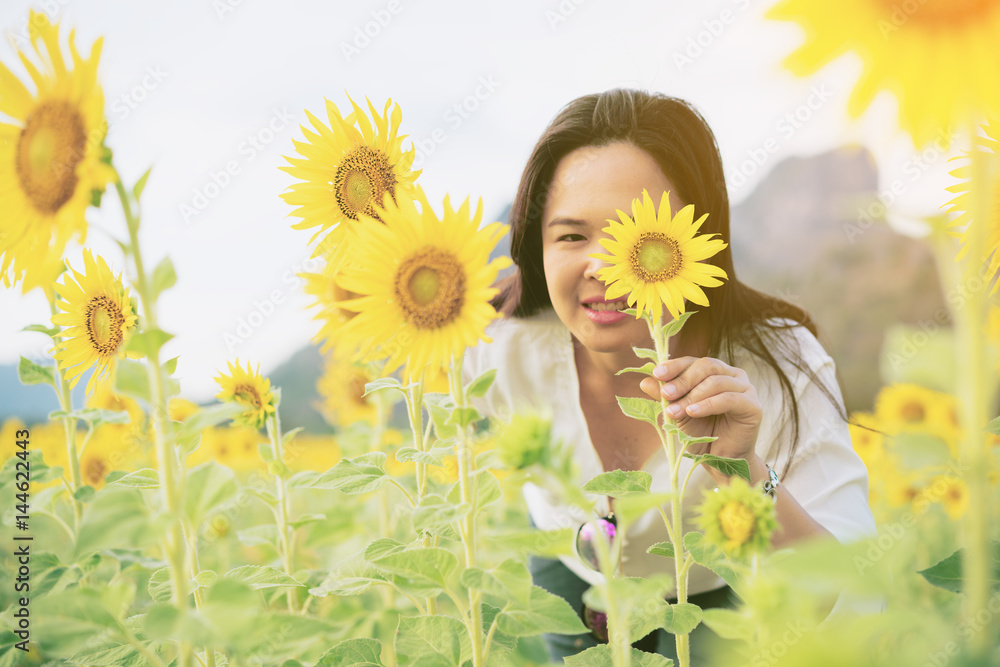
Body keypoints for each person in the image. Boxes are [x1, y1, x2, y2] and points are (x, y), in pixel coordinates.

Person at [463, 89, 876, 663]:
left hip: (717, 595)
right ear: (537, 245)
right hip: (570, 579)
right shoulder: (499, 349)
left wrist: (742, 471)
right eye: (572, 235)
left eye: (639, 236)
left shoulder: (782, 363)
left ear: (702, 238)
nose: (604, 267)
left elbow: (853, 590)